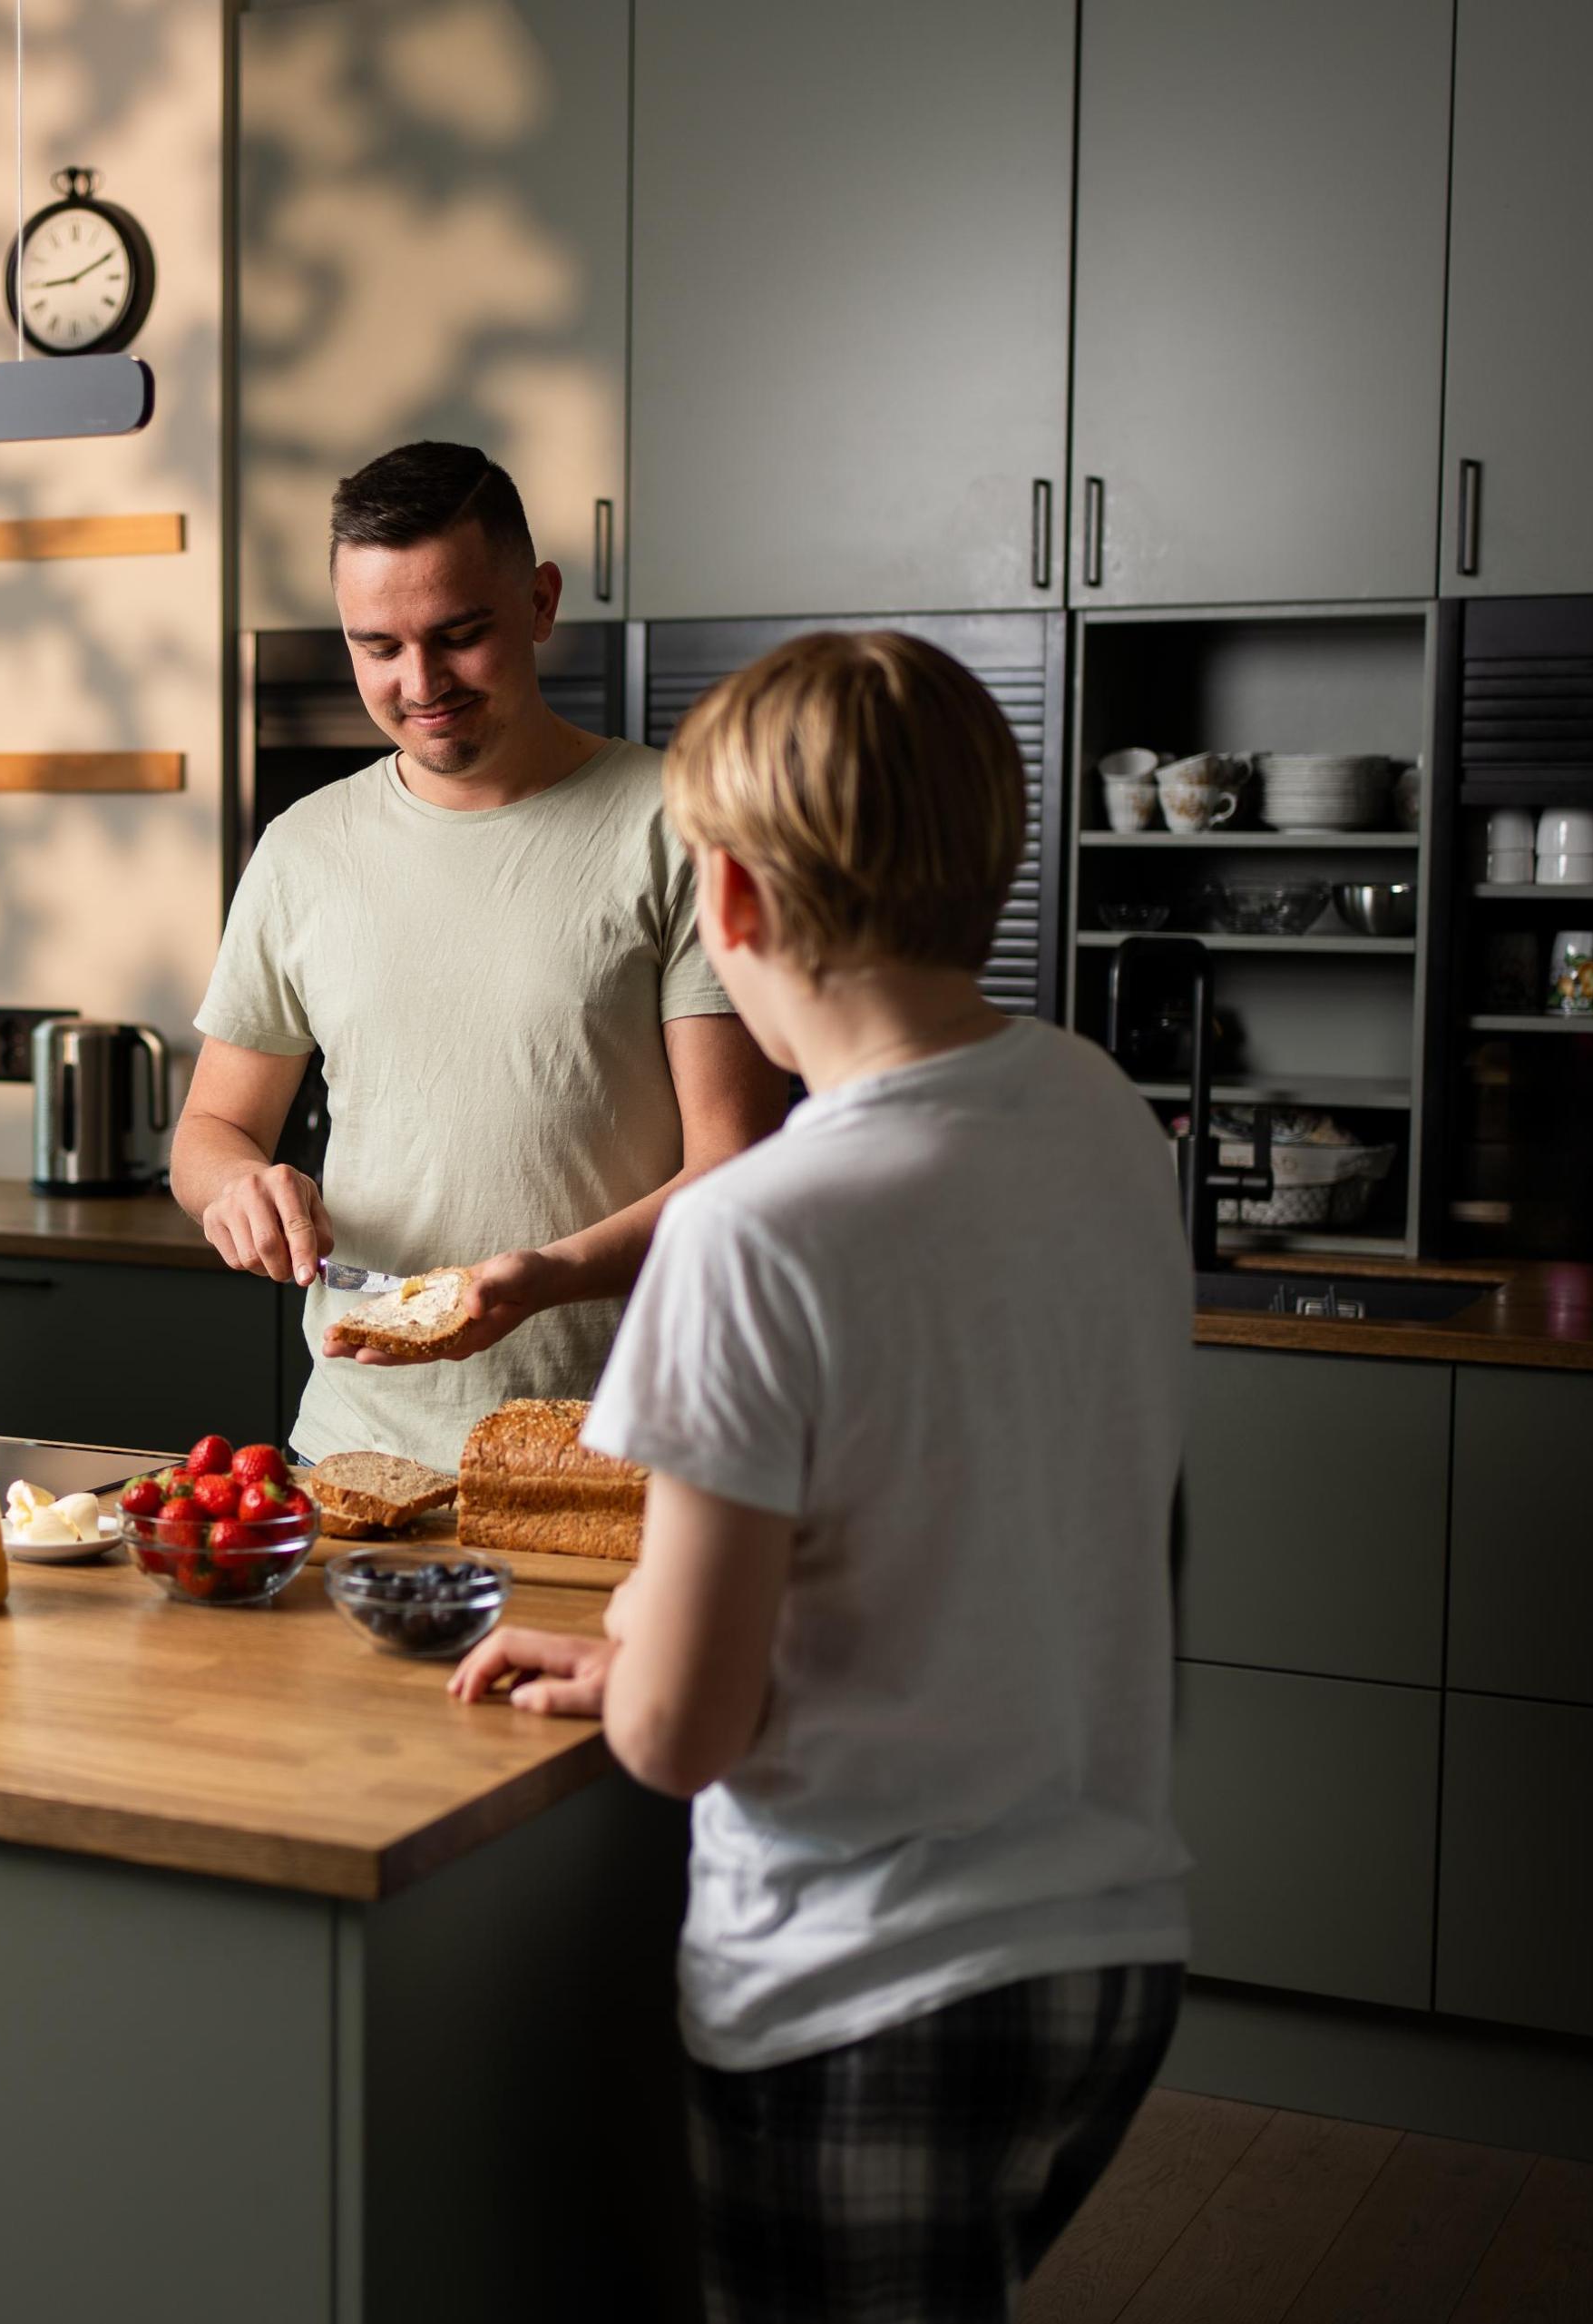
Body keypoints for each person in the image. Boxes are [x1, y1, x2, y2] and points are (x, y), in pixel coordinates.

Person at [450, 632, 1193, 2321]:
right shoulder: (1098, 1113)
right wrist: (651, 1639)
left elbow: (681, 1735)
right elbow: (972, 1516)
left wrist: (643, 1658)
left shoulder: (754, 1230)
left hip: (875, 1975)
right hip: (1108, 1947)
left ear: (728, 904)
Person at [173, 442, 788, 1468]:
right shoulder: (303, 848)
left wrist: (543, 1276)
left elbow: (734, 1167)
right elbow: (213, 1126)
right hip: (355, 1451)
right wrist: (235, 1185)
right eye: (378, 646)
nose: (421, 683)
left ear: (541, 602)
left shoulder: (683, 826)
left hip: (618, 1452)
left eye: (460, 635)